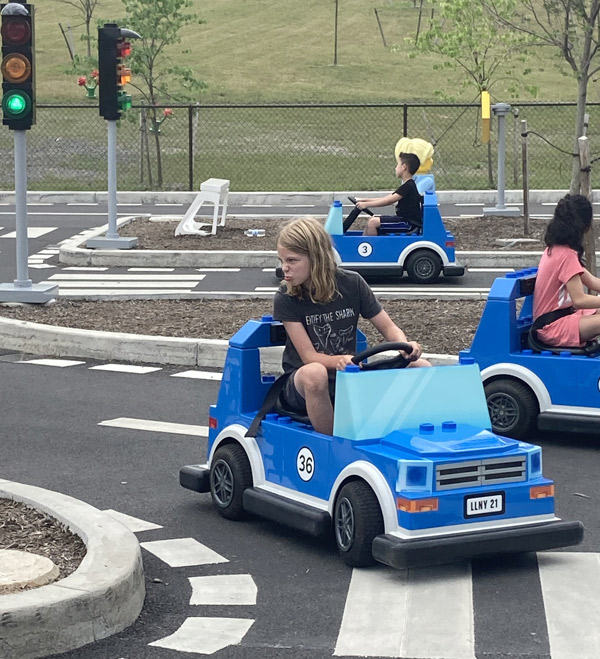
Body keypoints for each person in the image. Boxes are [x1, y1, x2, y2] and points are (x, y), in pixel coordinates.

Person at [273, 217, 430, 435]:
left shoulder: (352, 283)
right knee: (315, 373)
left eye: (292, 260)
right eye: (282, 260)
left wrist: (405, 346)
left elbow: (389, 329)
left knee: (420, 367)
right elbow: (309, 357)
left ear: (316, 257)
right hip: (301, 385)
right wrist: (339, 360)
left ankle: (408, 438)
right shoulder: (285, 296)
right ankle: (334, 445)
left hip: (349, 376)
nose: (284, 269)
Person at [533, 194, 600, 348]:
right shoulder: (566, 255)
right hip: (553, 327)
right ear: (584, 226)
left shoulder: (555, 249)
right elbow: (579, 300)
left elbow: (593, 282)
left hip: (557, 319)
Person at [350, 152, 423, 236]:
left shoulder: (408, 186)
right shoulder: (407, 185)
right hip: (404, 221)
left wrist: (366, 204)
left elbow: (388, 201)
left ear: (404, 167)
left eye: (397, 165)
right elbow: (387, 198)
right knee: (372, 220)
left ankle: (373, 248)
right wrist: (363, 200)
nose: (395, 168)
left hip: (408, 224)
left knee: (373, 223)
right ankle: (362, 246)